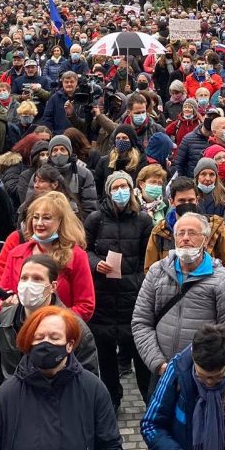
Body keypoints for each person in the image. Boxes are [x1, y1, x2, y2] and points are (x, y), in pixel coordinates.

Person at [0, 306, 121, 450]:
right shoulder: (6, 395)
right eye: (39, 337)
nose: (45, 343)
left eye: (54, 338)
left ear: (69, 345)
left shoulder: (92, 389)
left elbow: (110, 444)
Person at [131, 212, 225, 393]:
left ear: (205, 240)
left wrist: (208, 371)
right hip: (162, 373)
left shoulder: (223, 279)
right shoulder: (156, 272)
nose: (185, 238)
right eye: (180, 233)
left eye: (192, 233)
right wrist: (159, 364)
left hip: (202, 379)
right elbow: (141, 322)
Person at [140, 322, 225, 450]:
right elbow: (151, 425)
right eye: (202, 375)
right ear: (193, 354)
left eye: (218, 376)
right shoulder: (176, 371)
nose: (209, 382)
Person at [83, 170, 153, 410]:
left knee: (140, 354)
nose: (120, 191)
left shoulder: (143, 220)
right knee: (106, 356)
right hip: (103, 296)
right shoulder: (95, 219)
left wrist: (139, 281)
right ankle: (112, 399)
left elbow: (149, 257)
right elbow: (84, 250)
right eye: (115, 187)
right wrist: (95, 263)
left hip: (133, 297)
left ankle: (150, 399)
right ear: (108, 191)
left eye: (124, 186)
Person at [0, 254, 99, 385]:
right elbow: (0, 368)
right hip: (15, 401)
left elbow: (89, 384)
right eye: (24, 278)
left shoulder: (76, 329)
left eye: (37, 279)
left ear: (53, 286)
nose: (28, 284)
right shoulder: (5, 319)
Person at [144, 177, 225, 272]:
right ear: (172, 201)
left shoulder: (215, 228)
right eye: (181, 201)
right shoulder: (160, 231)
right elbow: (150, 270)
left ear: (197, 200)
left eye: (191, 200)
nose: (187, 204)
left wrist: (220, 285)